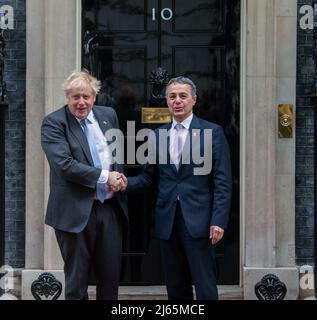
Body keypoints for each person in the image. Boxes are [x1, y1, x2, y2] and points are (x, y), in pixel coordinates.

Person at [120, 76, 232, 300]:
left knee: (205, 285)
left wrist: (218, 220)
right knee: (175, 285)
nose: (177, 101)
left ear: (194, 100)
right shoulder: (158, 135)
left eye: (182, 96)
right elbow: (147, 177)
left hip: (200, 221)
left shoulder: (213, 132)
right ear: (167, 101)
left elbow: (222, 181)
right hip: (167, 221)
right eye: (172, 96)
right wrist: (122, 183)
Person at [41, 71, 127, 300]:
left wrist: (119, 176)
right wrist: (105, 177)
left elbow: (115, 154)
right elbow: (65, 165)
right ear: (67, 97)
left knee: (110, 280)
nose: (81, 102)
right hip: (75, 212)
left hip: (109, 209)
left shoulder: (108, 115)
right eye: (75, 97)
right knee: (77, 284)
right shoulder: (54, 123)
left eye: (86, 97)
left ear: (94, 97)